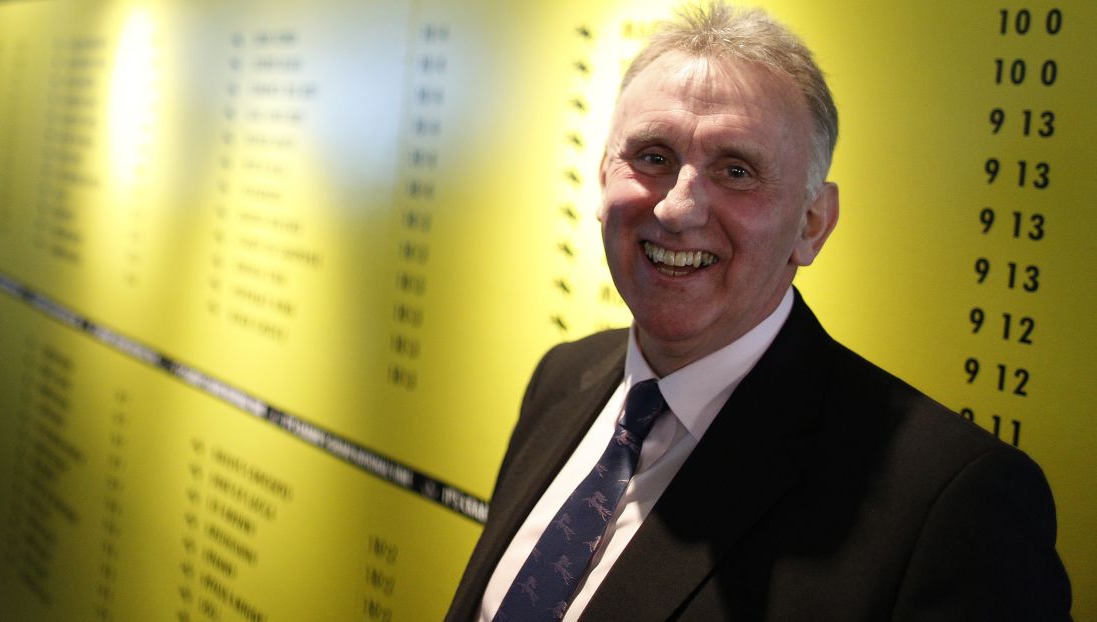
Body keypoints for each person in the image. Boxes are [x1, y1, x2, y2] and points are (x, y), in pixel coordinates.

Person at [445, 3, 1072, 620]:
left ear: (812, 223)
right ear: (603, 177)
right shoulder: (562, 377)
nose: (676, 209)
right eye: (653, 157)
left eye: (737, 170)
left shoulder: (953, 505)